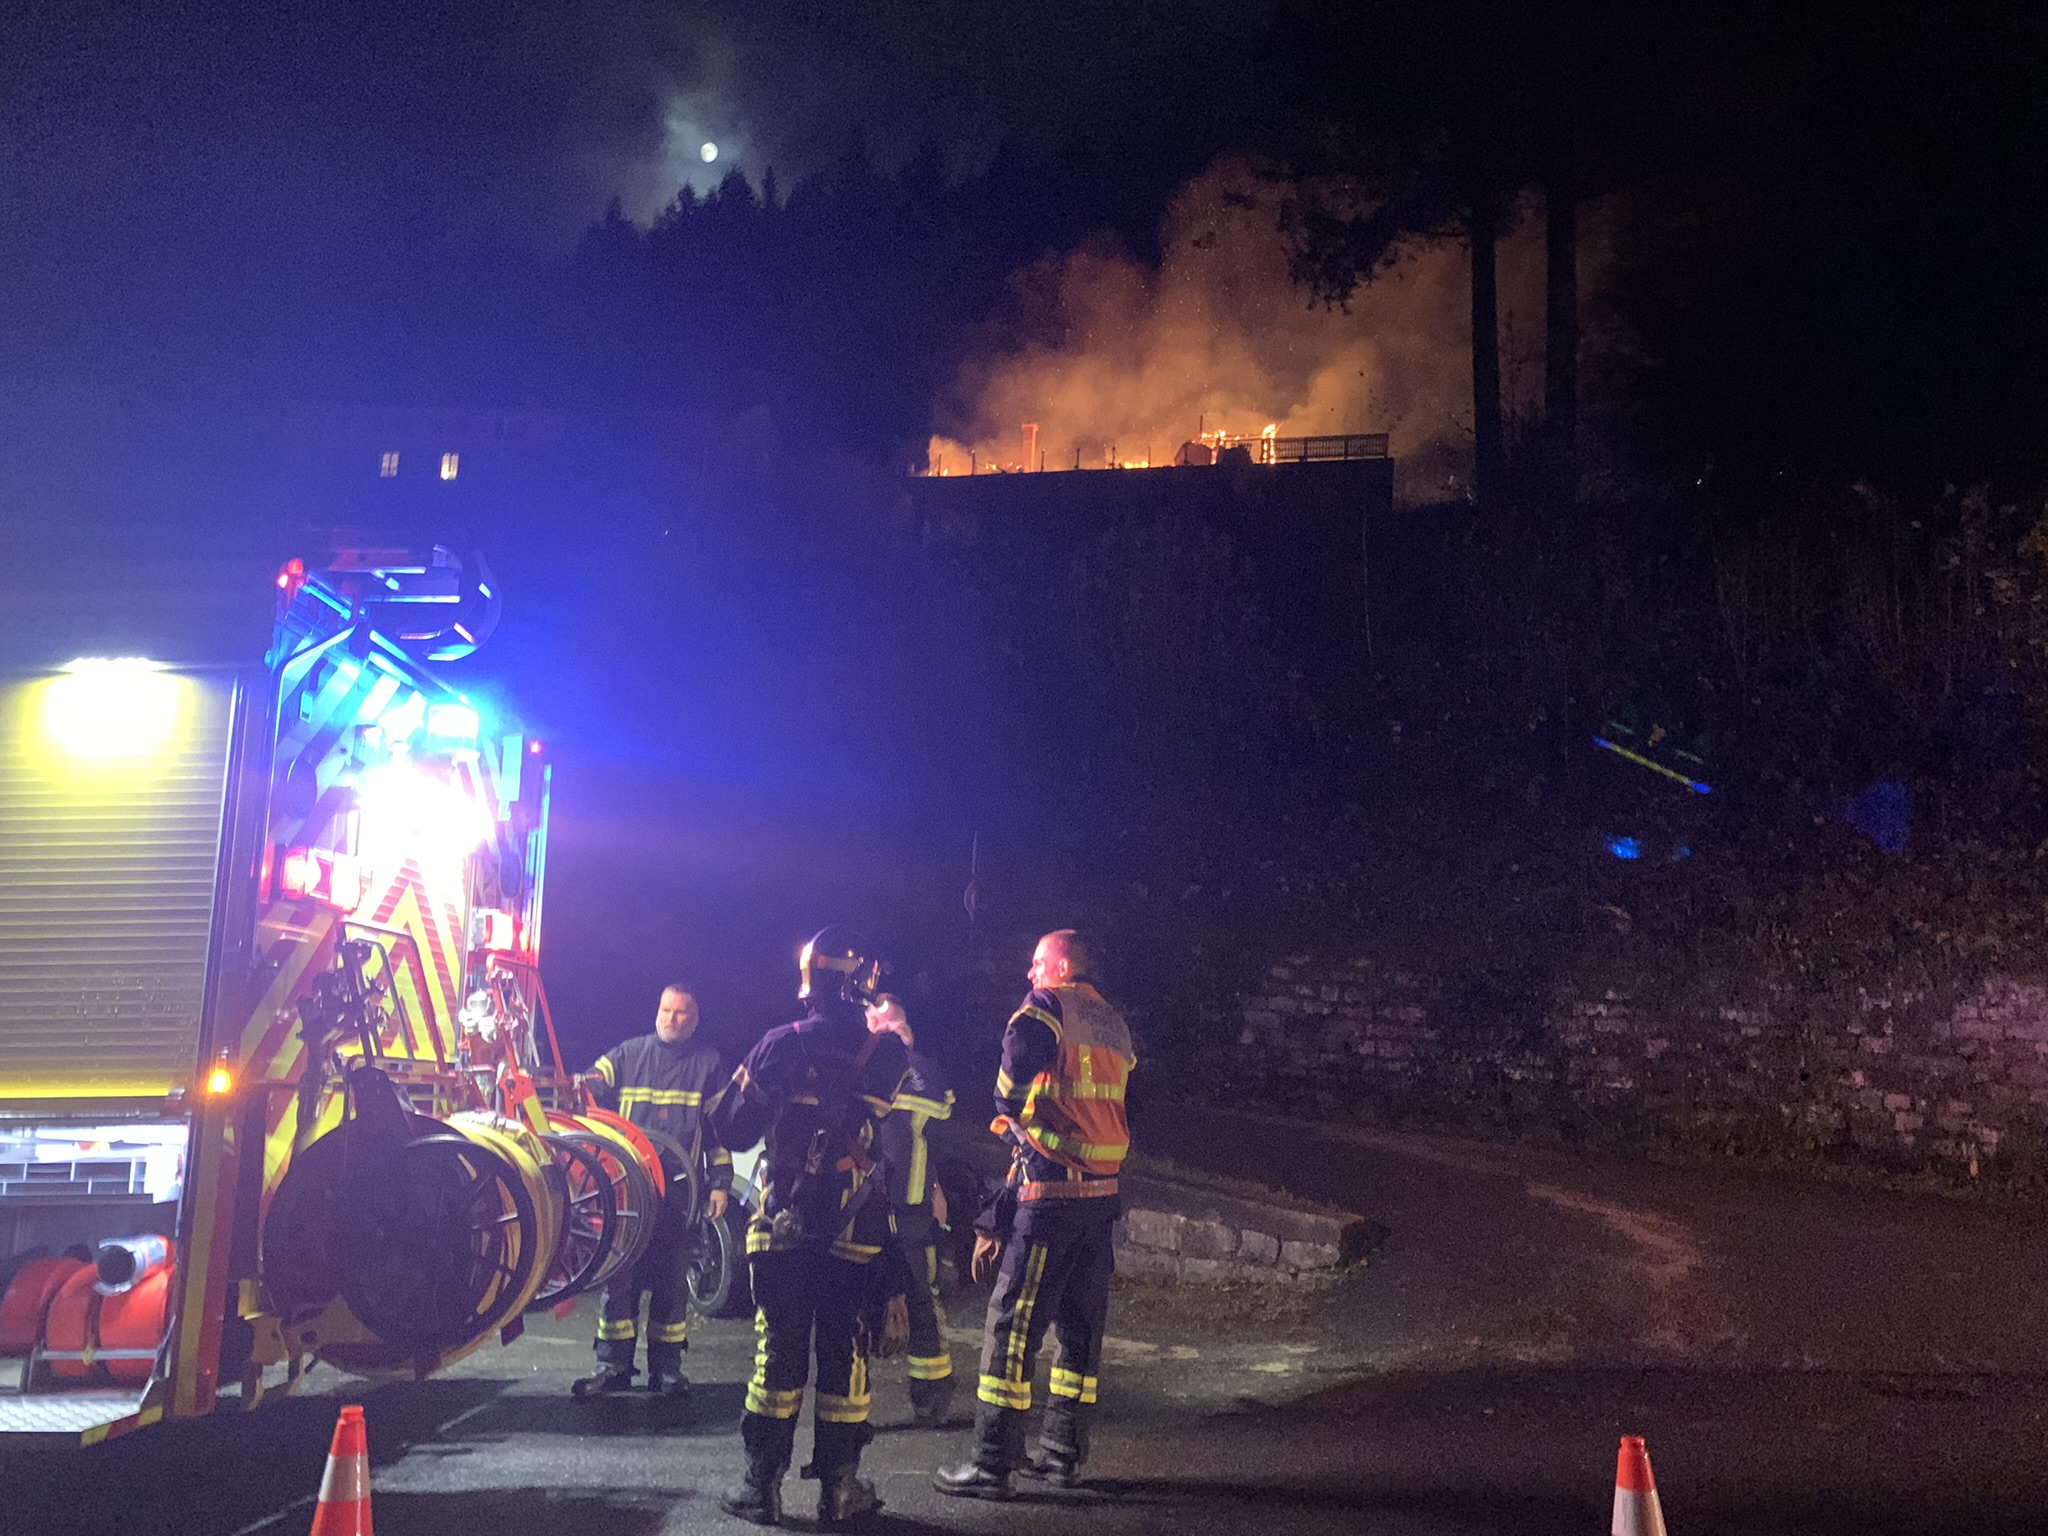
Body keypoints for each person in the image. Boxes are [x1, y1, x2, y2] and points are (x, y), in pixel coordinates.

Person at [713, 928, 915, 1528]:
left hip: (783, 1226)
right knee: (845, 1356)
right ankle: (840, 1490)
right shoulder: (887, 1055)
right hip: (856, 1231)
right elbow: (896, 1145)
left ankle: (762, 1488)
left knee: (777, 1355)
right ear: (863, 982)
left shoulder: (778, 1045)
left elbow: (731, 1130)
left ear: (811, 978)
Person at [934, 929, 1135, 1500]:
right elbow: (1126, 1101)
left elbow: (1019, 1054)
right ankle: (1063, 1456)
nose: (1030, 973)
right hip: (1100, 1197)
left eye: (1037, 962)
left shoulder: (1048, 1006)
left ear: (1063, 965)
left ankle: (992, 1463)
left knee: (1013, 1324)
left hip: (1053, 1193)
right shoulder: (1113, 1023)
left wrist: (1007, 1105)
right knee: (1079, 1328)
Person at [572, 983, 732, 1399]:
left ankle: (667, 1371)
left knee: (671, 1286)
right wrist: (577, 1083)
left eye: (680, 1013)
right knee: (618, 1282)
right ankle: (612, 1366)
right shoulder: (629, 1053)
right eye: (665, 1010)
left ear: (694, 1020)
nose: (670, 1019)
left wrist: (720, 1185)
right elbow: (592, 1082)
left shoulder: (707, 1063)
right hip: (630, 1194)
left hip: (680, 1198)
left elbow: (719, 1133)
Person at [865, 992, 958, 1424]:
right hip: (858, 1211)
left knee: (921, 1300)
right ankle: (848, 1402)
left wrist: (908, 1053)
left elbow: (936, 1115)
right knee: (850, 1304)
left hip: (910, 1208)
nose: (884, 1033)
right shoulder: (853, 1064)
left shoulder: (921, 1071)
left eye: (893, 1026)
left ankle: (931, 1394)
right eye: (877, 1026)